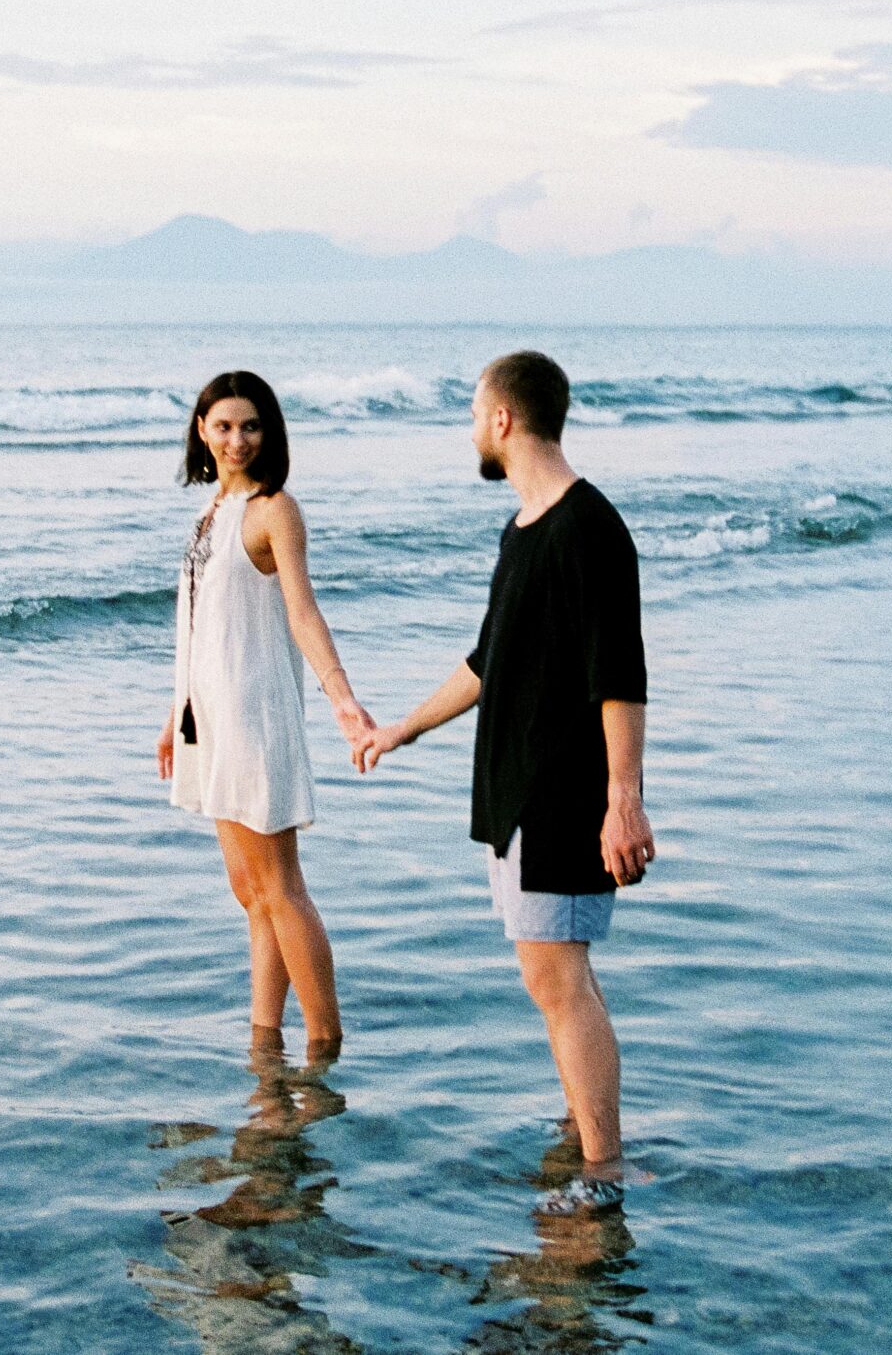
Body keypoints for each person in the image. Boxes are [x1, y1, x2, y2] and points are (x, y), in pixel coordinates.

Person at [353, 350, 655, 1215]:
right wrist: (402, 728)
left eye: (473, 414)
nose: (469, 431)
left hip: (563, 794)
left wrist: (622, 798)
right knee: (554, 977)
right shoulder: (525, 526)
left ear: (503, 420)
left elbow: (619, 674)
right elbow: (491, 660)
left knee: (558, 979)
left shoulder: (588, 528)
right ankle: (582, 1133)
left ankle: (601, 1172)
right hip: (515, 794)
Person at [161, 371, 375, 1053]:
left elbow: (302, 612)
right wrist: (174, 717)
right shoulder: (212, 512)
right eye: (223, 426)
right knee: (250, 892)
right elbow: (198, 627)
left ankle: (323, 1043)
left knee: (281, 888)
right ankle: (266, 1041)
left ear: (269, 431)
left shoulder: (273, 509)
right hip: (210, 721)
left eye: (250, 426)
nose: (236, 440)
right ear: (201, 429)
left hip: (255, 717)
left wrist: (342, 697)